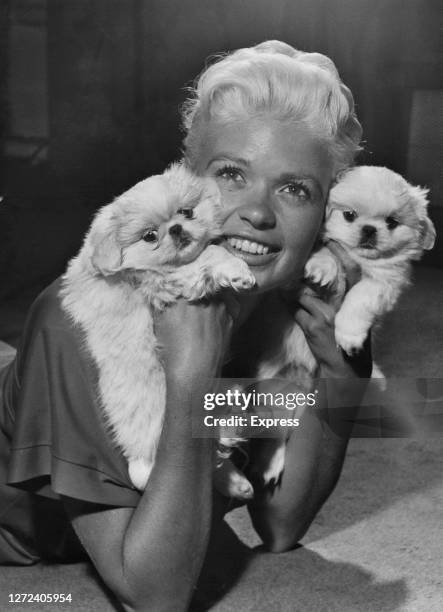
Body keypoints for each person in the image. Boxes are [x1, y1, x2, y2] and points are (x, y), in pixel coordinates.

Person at [0, 41, 371, 611]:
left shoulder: (282, 306)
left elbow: (280, 524)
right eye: (232, 174)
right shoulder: (88, 317)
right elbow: (155, 595)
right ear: (186, 177)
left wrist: (342, 378)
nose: (259, 212)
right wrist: (194, 375)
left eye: (296, 189)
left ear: (324, 212)